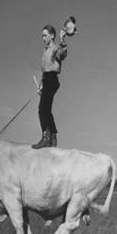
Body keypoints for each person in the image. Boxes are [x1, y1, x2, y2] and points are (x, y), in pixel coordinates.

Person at [32, 17, 76, 149]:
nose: (43, 38)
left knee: (42, 110)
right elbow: (44, 70)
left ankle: (46, 138)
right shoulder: (45, 51)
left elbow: (62, 54)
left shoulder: (55, 48)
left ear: (51, 36)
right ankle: (53, 138)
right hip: (47, 79)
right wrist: (41, 85)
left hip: (51, 79)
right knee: (46, 110)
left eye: (45, 35)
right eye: (42, 36)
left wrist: (62, 39)